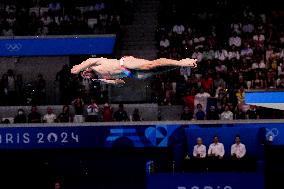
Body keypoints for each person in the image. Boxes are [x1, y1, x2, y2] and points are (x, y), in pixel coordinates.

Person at [71, 57, 197, 84]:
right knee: (158, 71)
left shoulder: (94, 64)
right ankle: (181, 65)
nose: (85, 74)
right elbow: (120, 82)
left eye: (85, 72)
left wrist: (77, 69)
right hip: (128, 73)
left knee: (150, 65)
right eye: (85, 76)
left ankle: (181, 62)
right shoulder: (99, 78)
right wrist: (113, 82)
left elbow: (87, 61)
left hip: (125, 63)